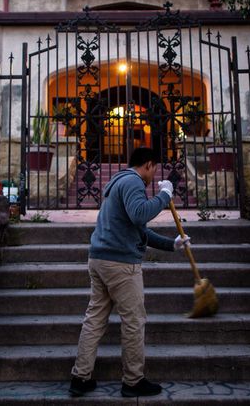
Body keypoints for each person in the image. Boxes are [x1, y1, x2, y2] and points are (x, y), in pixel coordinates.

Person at [69, 147, 192, 398]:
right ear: (147, 164)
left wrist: (172, 244)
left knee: (94, 320)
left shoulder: (118, 183)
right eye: (154, 168)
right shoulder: (134, 182)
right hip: (120, 265)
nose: (154, 173)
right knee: (134, 321)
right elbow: (140, 215)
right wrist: (164, 197)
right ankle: (133, 381)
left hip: (99, 259)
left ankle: (80, 377)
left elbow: (137, 230)